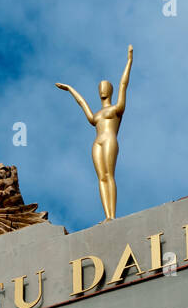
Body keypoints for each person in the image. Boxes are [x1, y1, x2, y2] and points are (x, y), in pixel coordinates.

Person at [56, 45, 132, 221]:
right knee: (101, 178)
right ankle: (107, 216)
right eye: (100, 87)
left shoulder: (117, 108)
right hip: (97, 142)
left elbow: (123, 84)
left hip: (110, 139)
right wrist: (69, 89)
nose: (102, 89)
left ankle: (112, 216)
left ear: (110, 91)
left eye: (105, 87)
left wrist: (129, 61)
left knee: (109, 175)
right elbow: (82, 103)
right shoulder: (96, 115)